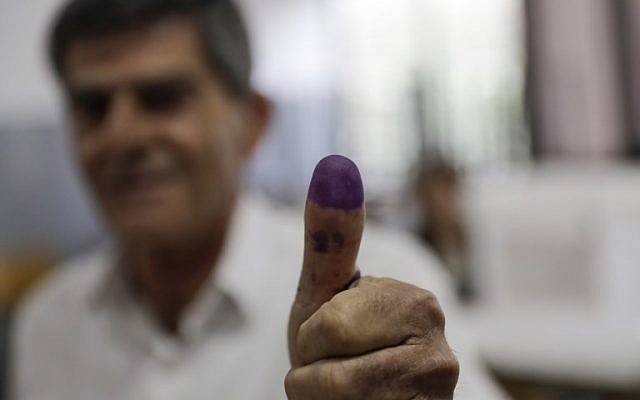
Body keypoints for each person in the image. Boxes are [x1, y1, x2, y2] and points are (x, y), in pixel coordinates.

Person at [10, 0, 507, 399]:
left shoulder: (383, 293)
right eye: (93, 107)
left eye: (162, 98)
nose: (122, 135)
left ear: (253, 122)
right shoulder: (47, 323)